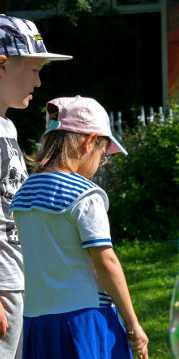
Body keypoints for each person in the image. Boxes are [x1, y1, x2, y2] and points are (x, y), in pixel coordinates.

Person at [10, 96, 149, 358]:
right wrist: (133, 325)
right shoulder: (85, 195)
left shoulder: (24, 193)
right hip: (85, 321)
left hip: (38, 322)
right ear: (88, 142)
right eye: (104, 154)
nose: (101, 164)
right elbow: (105, 260)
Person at [0, 14, 72, 358]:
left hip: (19, 282)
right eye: (33, 69)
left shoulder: (7, 128)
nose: (39, 81)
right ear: (1, 65)